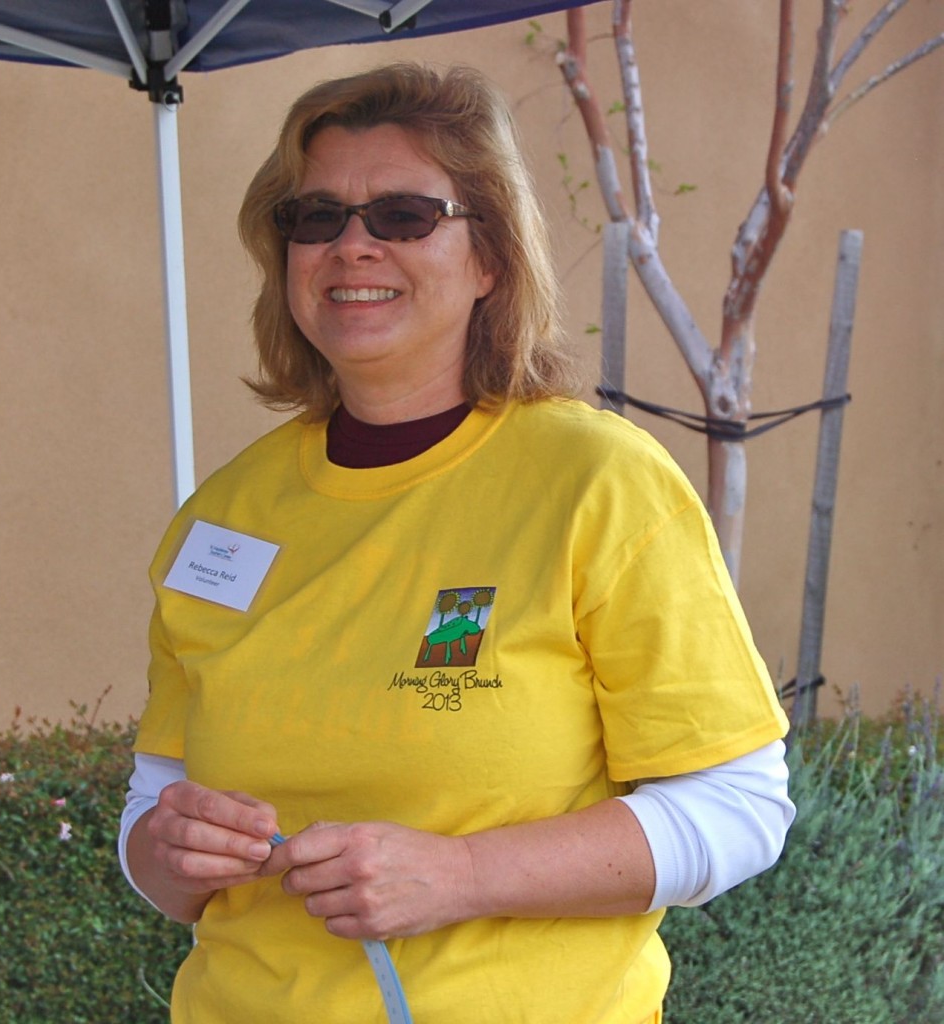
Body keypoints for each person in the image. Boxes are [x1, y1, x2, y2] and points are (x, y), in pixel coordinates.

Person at [119, 62, 794, 1023]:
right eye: (315, 218)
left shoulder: (595, 482)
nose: (352, 246)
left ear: (489, 259)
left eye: (401, 215)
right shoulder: (221, 519)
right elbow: (155, 825)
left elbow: (740, 805)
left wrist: (463, 873)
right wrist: (161, 850)